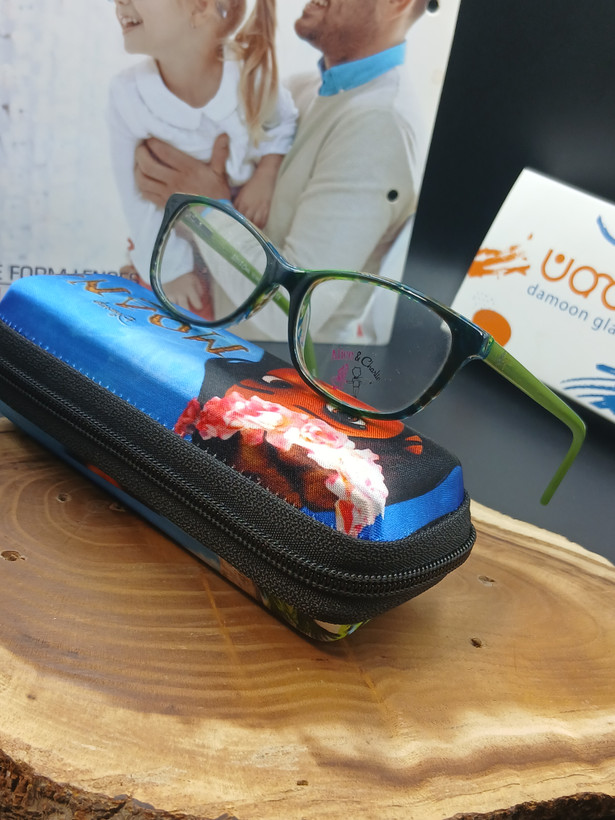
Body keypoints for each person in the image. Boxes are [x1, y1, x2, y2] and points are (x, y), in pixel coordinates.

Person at [133, 0, 430, 340]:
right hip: (218, 340)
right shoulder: (301, 90)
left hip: (269, 369)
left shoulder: (378, 125)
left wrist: (205, 209)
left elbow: (290, 308)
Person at [108, 0, 297, 310]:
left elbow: (283, 123)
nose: (119, 2)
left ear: (201, 8)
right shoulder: (128, 94)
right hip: (166, 248)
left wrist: (266, 173)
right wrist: (172, 268)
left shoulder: (250, 76)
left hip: (239, 249)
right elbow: (135, 196)